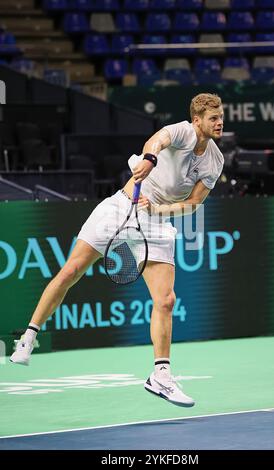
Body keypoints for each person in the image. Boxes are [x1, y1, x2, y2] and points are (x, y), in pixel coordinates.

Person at [10, 93, 224, 408]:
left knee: (166, 300)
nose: (219, 123)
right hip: (120, 207)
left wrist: (160, 210)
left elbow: (193, 204)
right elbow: (157, 140)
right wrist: (149, 159)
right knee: (71, 271)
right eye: (213, 118)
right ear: (197, 120)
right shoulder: (182, 131)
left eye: (221, 117)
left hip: (157, 221)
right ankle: (28, 337)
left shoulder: (215, 159)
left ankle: (161, 375)